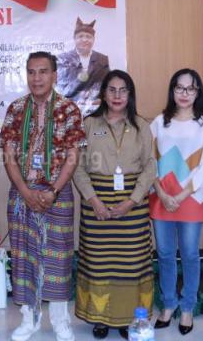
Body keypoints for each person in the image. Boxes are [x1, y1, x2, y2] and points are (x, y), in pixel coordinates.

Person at [0, 51, 86, 341]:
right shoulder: (15, 109)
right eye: (32, 72)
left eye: (43, 71)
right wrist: (25, 191)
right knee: (24, 256)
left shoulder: (69, 109)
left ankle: (60, 321)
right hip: (21, 194)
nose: (37, 78)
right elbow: (8, 155)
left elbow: (73, 155)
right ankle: (30, 319)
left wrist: (54, 190)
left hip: (57, 193)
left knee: (58, 257)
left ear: (54, 75)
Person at [72, 69, 156, 340]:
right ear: (103, 93)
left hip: (132, 208)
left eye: (123, 90)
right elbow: (78, 167)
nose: (117, 95)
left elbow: (150, 166)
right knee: (98, 264)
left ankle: (128, 317)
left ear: (130, 94)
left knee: (130, 264)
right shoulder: (89, 124)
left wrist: (132, 201)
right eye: (112, 90)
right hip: (96, 207)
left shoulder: (141, 125)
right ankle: (99, 319)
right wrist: (93, 200)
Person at [149, 69, 203, 336]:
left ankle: (188, 306)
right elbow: (149, 160)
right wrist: (161, 192)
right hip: (162, 197)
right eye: (179, 88)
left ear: (197, 92)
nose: (184, 93)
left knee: (190, 254)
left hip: (191, 196)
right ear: (172, 90)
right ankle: (168, 304)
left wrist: (181, 195)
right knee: (165, 253)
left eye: (190, 88)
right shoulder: (159, 123)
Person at [56, 17, 110, 117]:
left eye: (88, 37)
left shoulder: (103, 59)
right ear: (74, 38)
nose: (84, 40)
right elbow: (59, 88)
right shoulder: (62, 59)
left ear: (93, 39)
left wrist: (100, 99)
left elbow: (106, 85)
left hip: (95, 111)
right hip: (68, 111)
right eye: (80, 36)